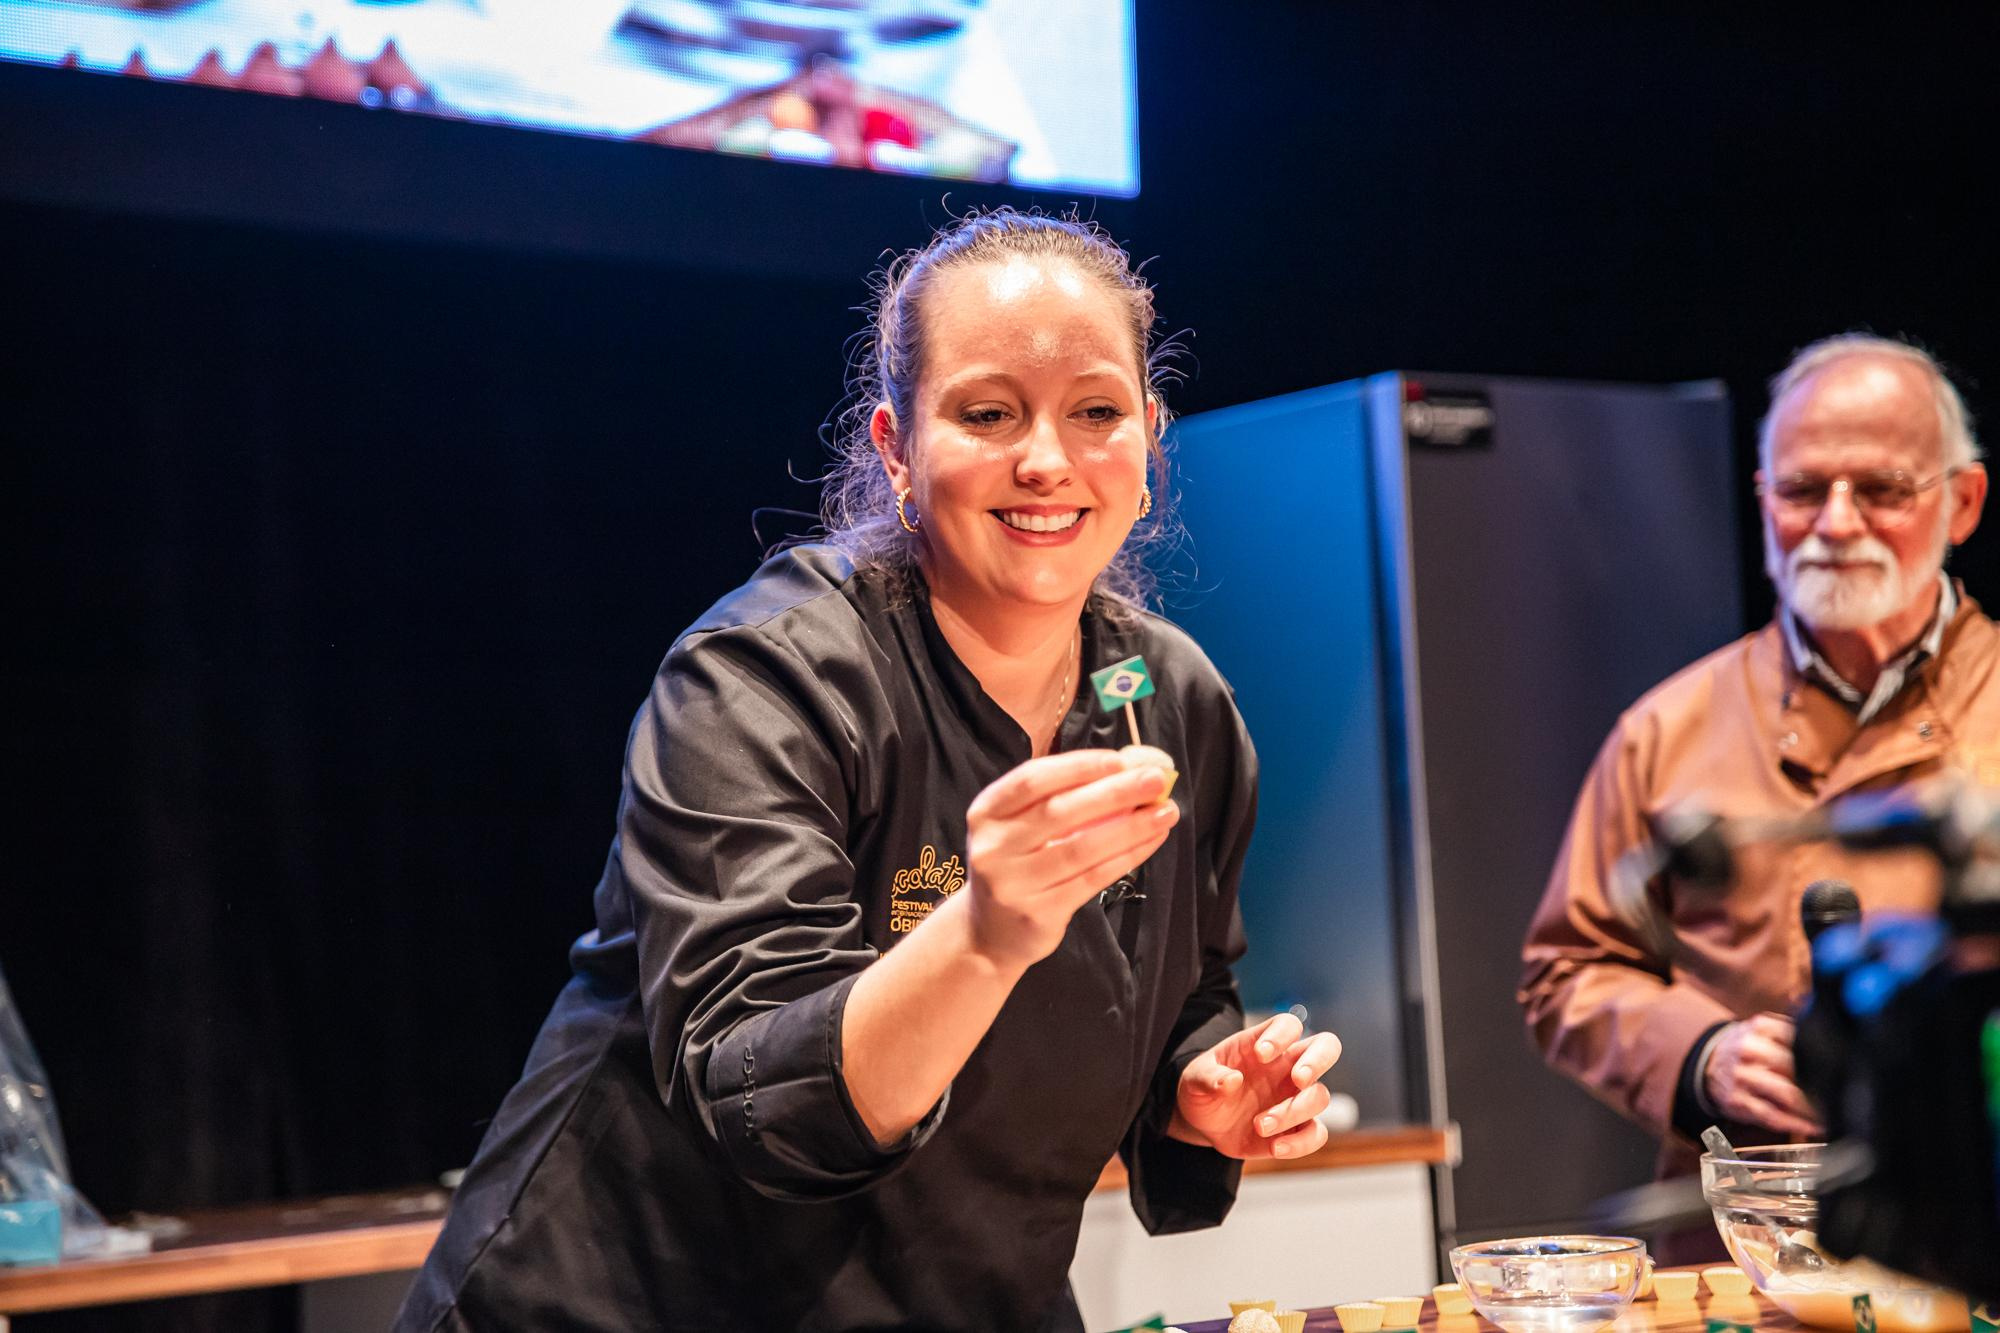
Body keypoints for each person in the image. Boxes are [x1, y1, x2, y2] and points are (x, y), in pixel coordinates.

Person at [396, 208, 1342, 1333]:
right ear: (896, 446)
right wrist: (988, 930)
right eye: (987, 413)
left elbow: (1184, 986)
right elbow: (764, 1097)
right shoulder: (763, 678)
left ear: (1147, 440)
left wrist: (1199, 1089)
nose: (1045, 459)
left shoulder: (1177, 701)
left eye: (1094, 412)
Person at [1519, 334, 1997, 1236]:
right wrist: (1702, 1053)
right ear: (1761, 497)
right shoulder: (1665, 729)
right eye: (1803, 489)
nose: (1837, 522)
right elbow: (1567, 968)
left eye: (1883, 488)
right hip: (1746, 1254)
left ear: (1963, 501)